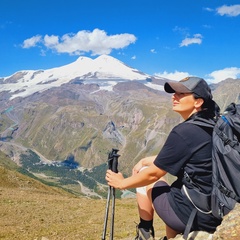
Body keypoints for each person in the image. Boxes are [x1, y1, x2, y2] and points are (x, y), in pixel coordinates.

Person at [105, 77, 222, 240]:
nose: (174, 96)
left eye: (181, 94)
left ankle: (144, 231)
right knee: (174, 187)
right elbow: (184, 155)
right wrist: (146, 159)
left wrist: (121, 183)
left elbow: (153, 175)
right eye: (174, 93)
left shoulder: (185, 131)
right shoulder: (214, 124)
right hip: (216, 210)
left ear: (198, 102)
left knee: (146, 173)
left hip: (195, 215)